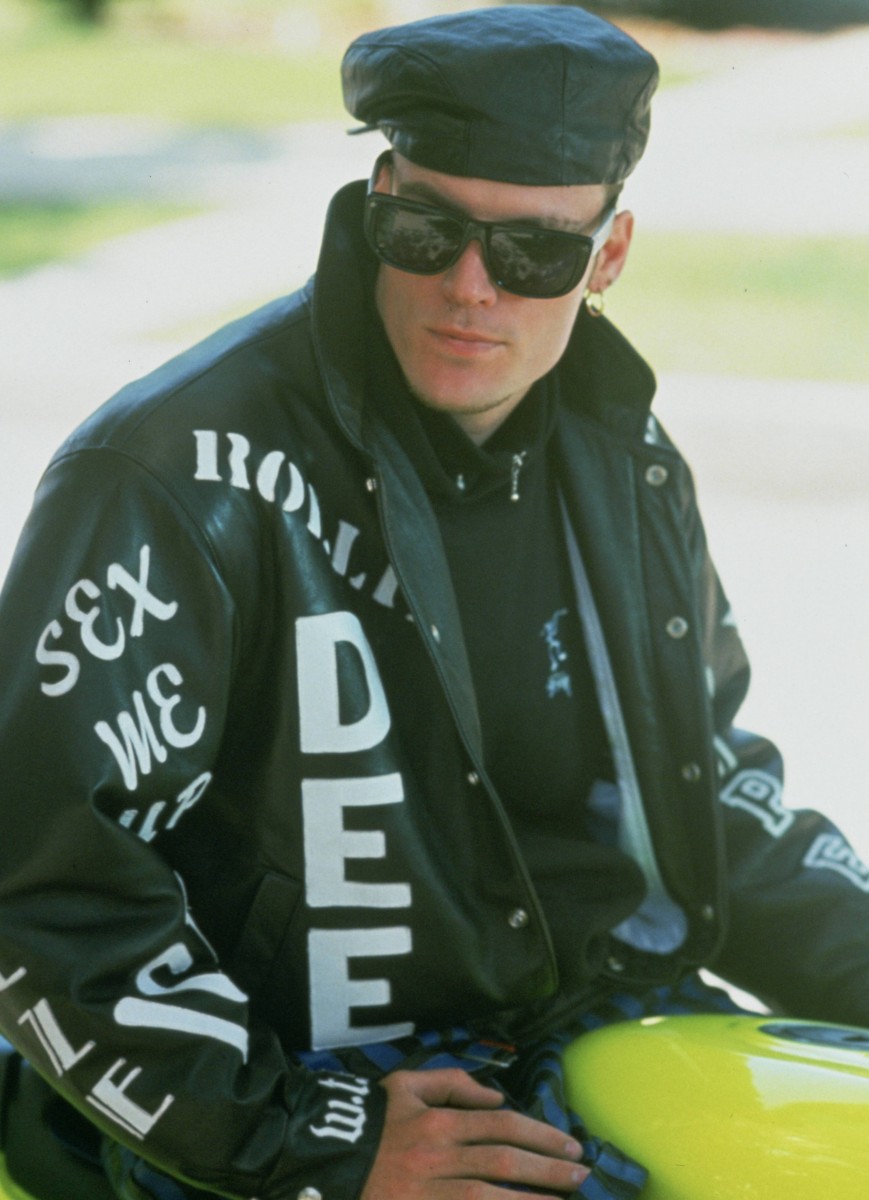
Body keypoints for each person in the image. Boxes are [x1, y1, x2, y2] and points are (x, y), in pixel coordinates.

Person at [0, 6, 867, 1199]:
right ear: (376, 203)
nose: (468, 288)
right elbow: (42, 876)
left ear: (608, 254)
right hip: (286, 1081)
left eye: (532, 254)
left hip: (587, 1023)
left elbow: (702, 794)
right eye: (424, 231)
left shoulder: (619, 453)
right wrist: (310, 1140)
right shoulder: (172, 471)